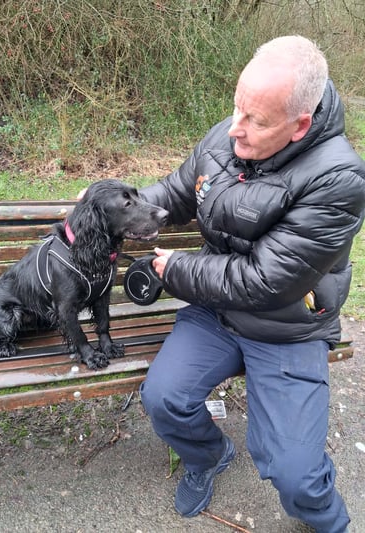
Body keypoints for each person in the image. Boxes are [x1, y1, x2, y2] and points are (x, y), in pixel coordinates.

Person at [138, 35, 365, 533]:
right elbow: (178, 191)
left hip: (286, 325)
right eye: (236, 108)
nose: (234, 128)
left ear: (300, 124)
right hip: (216, 309)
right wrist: (121, 208)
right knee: (164, 399)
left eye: (255, 120)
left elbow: (265, 282)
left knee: (295, 476)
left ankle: (331, 523)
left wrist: (175, 268)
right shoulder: (233, 131)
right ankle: (209, 455)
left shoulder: (339, 180)